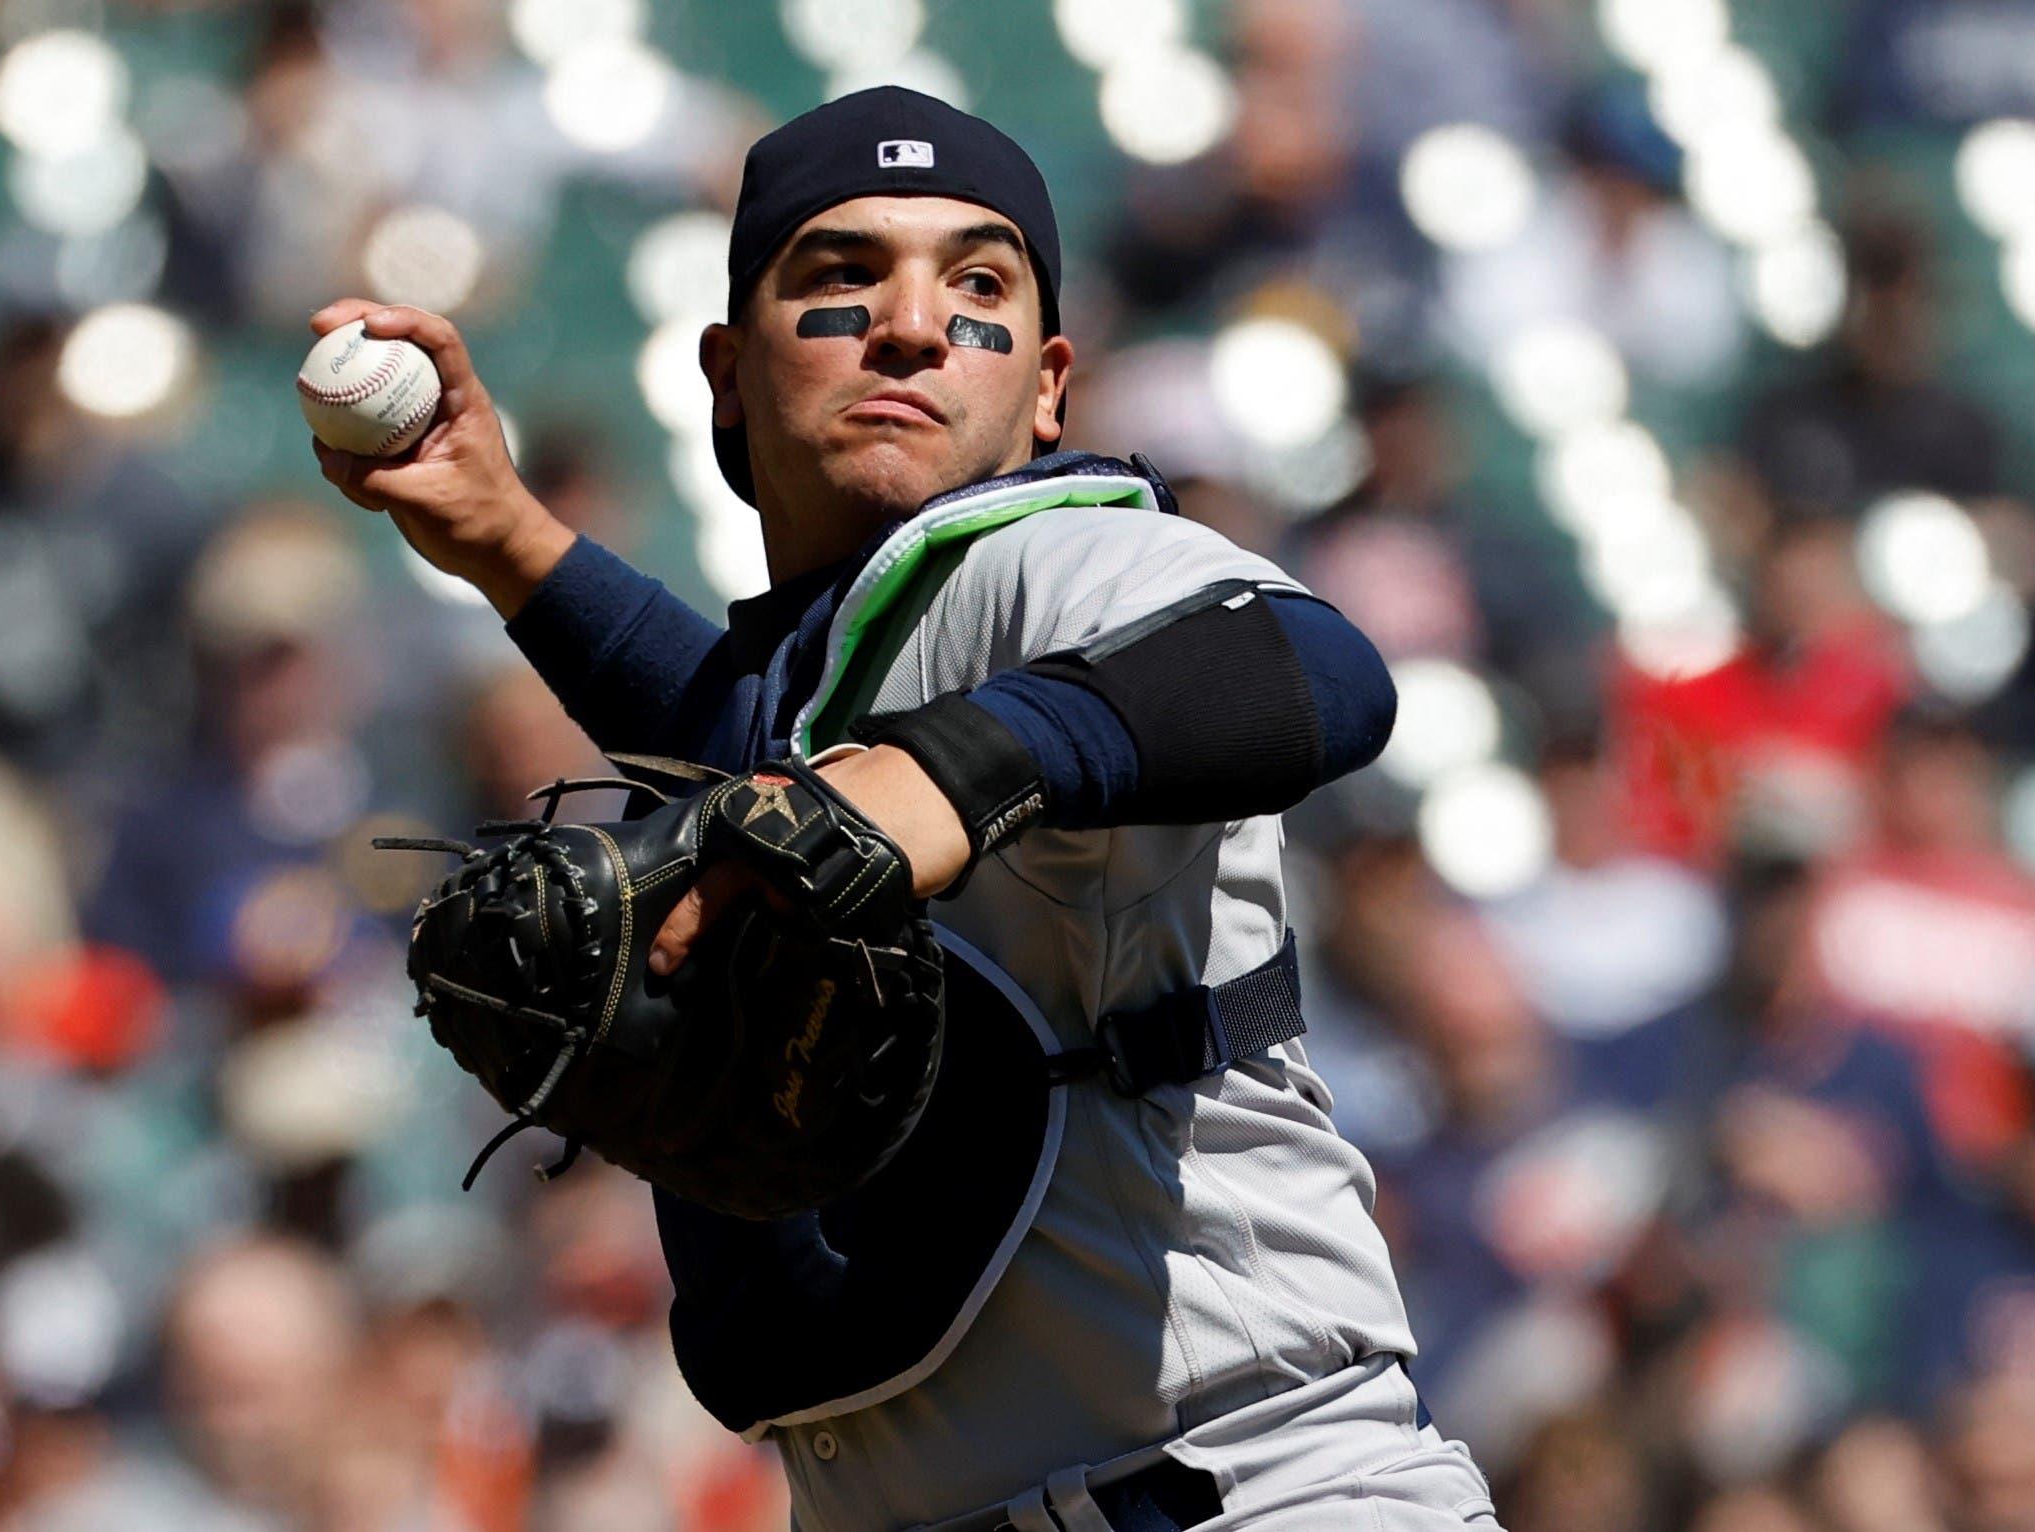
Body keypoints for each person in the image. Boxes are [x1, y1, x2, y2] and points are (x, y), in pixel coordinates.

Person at [308, 87, 1501, 1531]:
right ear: (730, 375)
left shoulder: (1057, 563)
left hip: (1247, 1491)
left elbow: (1315, 670)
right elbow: (750, 749)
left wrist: (957, 772)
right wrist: (513, 543)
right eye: (841, 277)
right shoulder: (852, 662)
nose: (917, 324)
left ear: (1050, 386)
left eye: (979, 284)